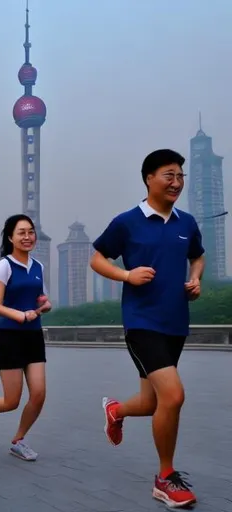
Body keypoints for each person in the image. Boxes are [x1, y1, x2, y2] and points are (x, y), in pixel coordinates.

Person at [90, 149, 204, 508]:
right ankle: (165, 478)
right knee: (173, 396)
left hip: (175, 323)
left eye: (181, 176)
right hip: (141, 322)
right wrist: (127, 274)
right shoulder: (128, 222)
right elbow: (96, 258)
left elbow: (197, 255)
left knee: (152, 401)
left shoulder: (187, 223)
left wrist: (195, 278)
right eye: (169, 175)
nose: (176, 182)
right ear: (149, 179)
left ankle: (116, 410)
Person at [0, 214, 51, 461]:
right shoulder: (5, 265)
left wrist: (45, 305)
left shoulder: (38, 267)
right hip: (8, 337)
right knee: (11, 401)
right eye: (21, 233)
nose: (27, 237)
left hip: (33, 336)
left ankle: (19, 440)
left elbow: (42, 298)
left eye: (30, 232)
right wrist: (19, 315)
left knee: (38, 394)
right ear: (10, 238)